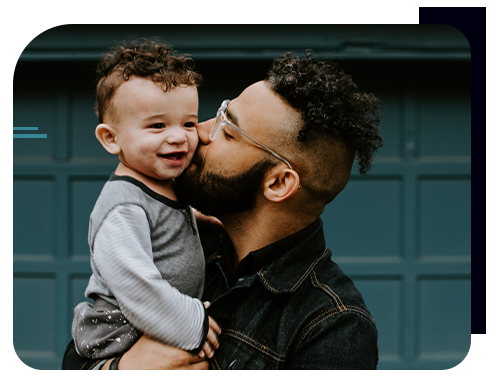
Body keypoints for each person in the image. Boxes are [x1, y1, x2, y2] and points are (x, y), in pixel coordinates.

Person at [63, 51, 383, 370]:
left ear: (278, 183)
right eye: (219, 114)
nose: (198, 132)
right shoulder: (183, 236)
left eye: (227, 132)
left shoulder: (331, 325)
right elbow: (78, 352)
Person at [70, 38, 220, 367]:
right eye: (157, 125)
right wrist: (190, 322)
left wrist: (195, 218)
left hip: (151, 328)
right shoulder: (122, 208)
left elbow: (161, 220)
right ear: (112, 138)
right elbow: (135, 284)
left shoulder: (163, 184)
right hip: (117, 337)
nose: (178, 136)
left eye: (189, 123)